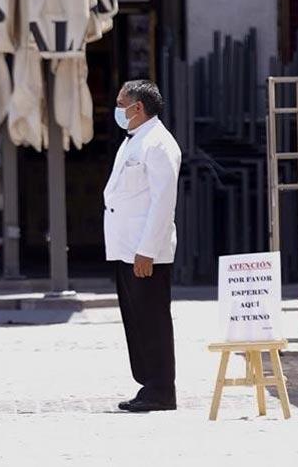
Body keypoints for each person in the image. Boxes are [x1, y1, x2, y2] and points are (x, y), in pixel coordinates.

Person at [104, 80, 182, 413]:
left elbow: (163, 202)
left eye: (122, 104)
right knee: (137, 320)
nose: (118, 109)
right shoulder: (135, 140)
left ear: (138, 108)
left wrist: (147, 250)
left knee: (152, 320)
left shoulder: (159, 144)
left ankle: (162, 389)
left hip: (144, 250)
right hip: (125, 247)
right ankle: (148, 385)